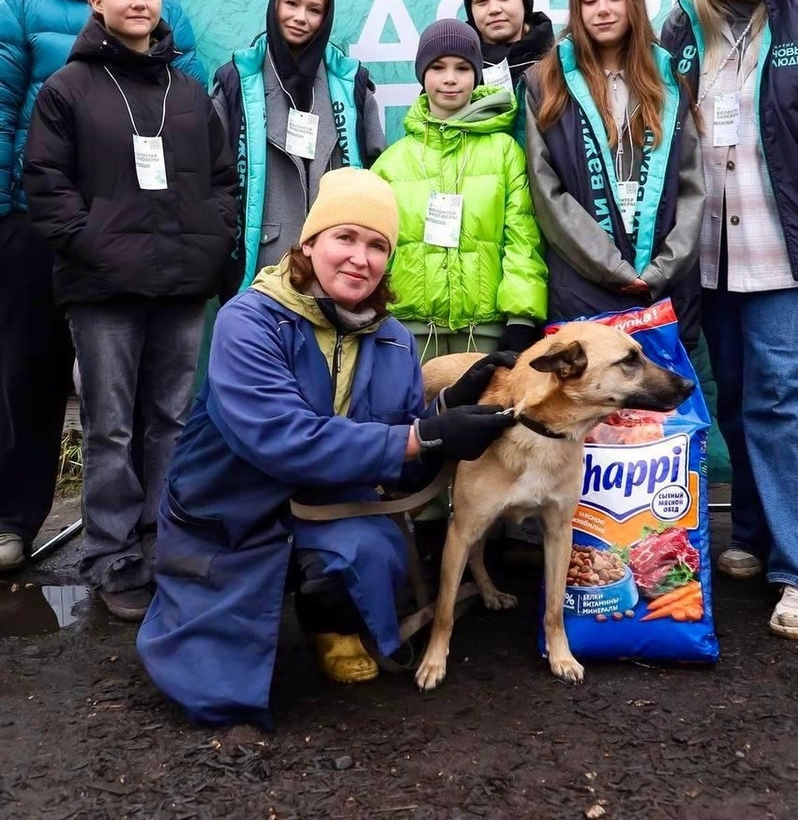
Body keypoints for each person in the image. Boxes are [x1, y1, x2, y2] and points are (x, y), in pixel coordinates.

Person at [136, 167, 516, 727]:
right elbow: (278, 438)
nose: (360, 258)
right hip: (229, 508)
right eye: (345, 237)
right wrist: (420, 435)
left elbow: (403, 475)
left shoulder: (393, 341)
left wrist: (444, 416)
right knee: (212, 698)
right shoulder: (250, 320)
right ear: (309, 243)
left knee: (372, 549)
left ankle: (327, 619)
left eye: (377, 245)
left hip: (331, 505)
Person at [0, 0, 206, 573]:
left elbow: (206, 159)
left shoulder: (179, 57)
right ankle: (43, 530)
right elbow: (15, 132)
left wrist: (209, 246)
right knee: (51, 389)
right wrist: (44, 228)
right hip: (55, 240)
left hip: (163, 262)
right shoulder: (27, 15)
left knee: (161, 415)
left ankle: (160, 546)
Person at [23, 0, 237, 621]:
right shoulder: (67, 90)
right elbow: (47, 187)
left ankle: (163, 543)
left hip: (180, 288)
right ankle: (111, 554)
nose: (139, 1)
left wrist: (212, 241)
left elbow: (223, 181)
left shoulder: (187, 92)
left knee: (170, 423)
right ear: (97, 1)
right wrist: (94, 249)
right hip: (103, 292)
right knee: (111, 428)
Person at [660, 0, 798, 640]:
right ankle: (748, 531)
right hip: (708, 252)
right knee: (737, 392)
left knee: (780, 397)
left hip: (782, 252)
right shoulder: (685, 27)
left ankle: (797, 566)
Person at [525, 0, 705, 350]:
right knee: (593, 409)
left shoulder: (670, 79)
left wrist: (663, 268)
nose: (602, 9)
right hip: (584, 289)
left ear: (634, 3)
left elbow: (693, 186)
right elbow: (548, 194)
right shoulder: (547, 84)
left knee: (668, 409)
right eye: (589, 0)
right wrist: (612, 267)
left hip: (664, 290)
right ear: (576, 10)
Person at [372, 18, 548, 360]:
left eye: (463, 67)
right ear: (422, 75)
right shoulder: (391, 163)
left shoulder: (505, 152)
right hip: (408, 332)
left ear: (476, 75)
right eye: (437, 67)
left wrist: (521, 319)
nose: (450, 78)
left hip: (486, 333)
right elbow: (380, 250)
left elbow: (523, 240)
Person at [212, 0, 385, 296]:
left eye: (314, 9)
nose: (300, 17)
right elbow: (212, 173)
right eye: (291, 3)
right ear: (275, 2)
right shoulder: (237, 79)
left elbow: (376, 173)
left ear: (326, 17)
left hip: (336, 267)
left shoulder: (351, 82)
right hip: (262, 264)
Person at [462, 0, 554, 143]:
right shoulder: (456, 65)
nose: (494, 9)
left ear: (524, 1)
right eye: (481, 1)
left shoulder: (556, 62)